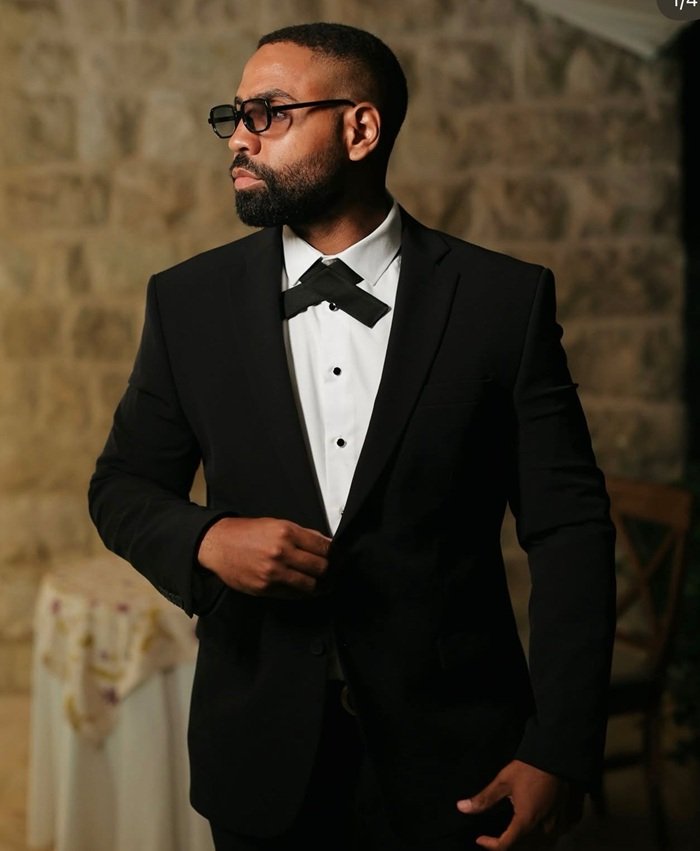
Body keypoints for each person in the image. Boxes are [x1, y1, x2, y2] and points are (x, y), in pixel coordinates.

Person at [88, 22, 616, 851]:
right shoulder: (187, 302)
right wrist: (208, 540)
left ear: (360, 128)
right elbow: (120, 486)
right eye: (236, 116)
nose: (239, 138)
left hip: (460, 761)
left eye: (269, 113)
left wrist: (560, 746)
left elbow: (570, 528)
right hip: (259, 754)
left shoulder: (502, 303)